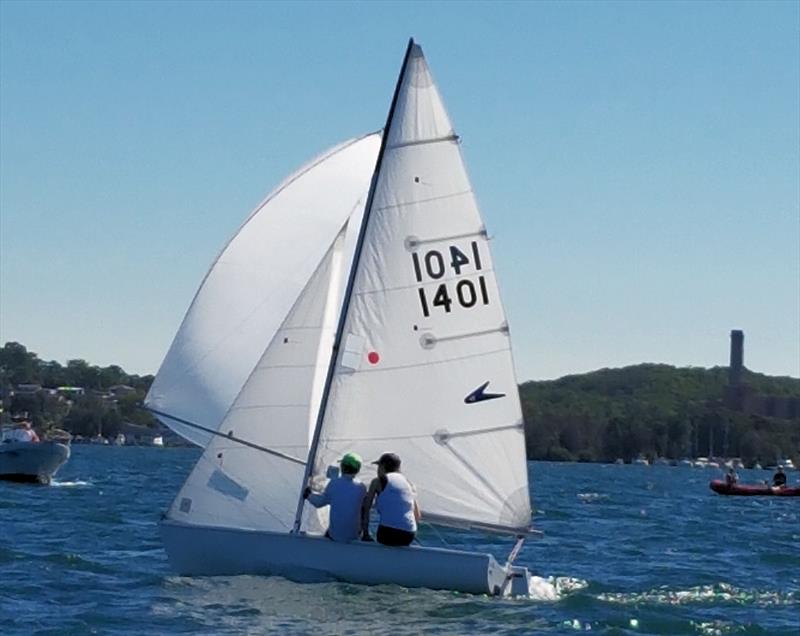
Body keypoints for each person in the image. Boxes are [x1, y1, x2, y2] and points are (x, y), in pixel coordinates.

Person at [303, 452, 366, 542]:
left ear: (342, 467)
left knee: (329, 532)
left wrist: (308, 495)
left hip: (336, 536)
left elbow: (319, 503)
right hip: (354, 536)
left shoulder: (334, 483)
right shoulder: (362, 487)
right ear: (358, 469)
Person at [361, 452, 420, 547]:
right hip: (409, 535)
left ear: (383, 467)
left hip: (387, 534)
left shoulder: (377, 481)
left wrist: (365, 534)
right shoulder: (409, 483)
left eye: (379, 466)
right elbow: (417, 515)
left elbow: (366, 507)